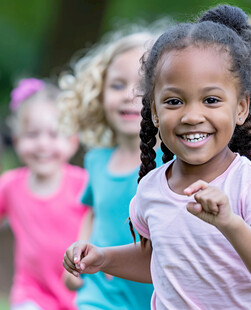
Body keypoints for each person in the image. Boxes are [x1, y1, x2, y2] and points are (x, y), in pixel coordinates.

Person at [63, 5, 251, 309]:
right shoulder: (152, 188)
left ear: (241, 108)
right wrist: (104, 258)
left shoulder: (248, 182)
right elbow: (159, 259)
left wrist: (230, 223)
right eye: (174, 101)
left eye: (211, 100)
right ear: (154, 113)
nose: (191, 116)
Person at [58, 24, 166, 309]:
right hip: (99, 296)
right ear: (98, 92)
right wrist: (78, 256)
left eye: (143, 87)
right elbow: (94, 213)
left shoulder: (172, 164)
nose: (129, 95)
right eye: (117, 84)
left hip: (153, 296)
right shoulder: (97, 159)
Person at [0, 78, 88, 310]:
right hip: (31, 292)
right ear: (17, 141)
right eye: (32, 135)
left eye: (53, 135)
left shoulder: (83, 183)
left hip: (80, 290)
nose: (42, 144)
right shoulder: (10, 185)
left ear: (72, 142)